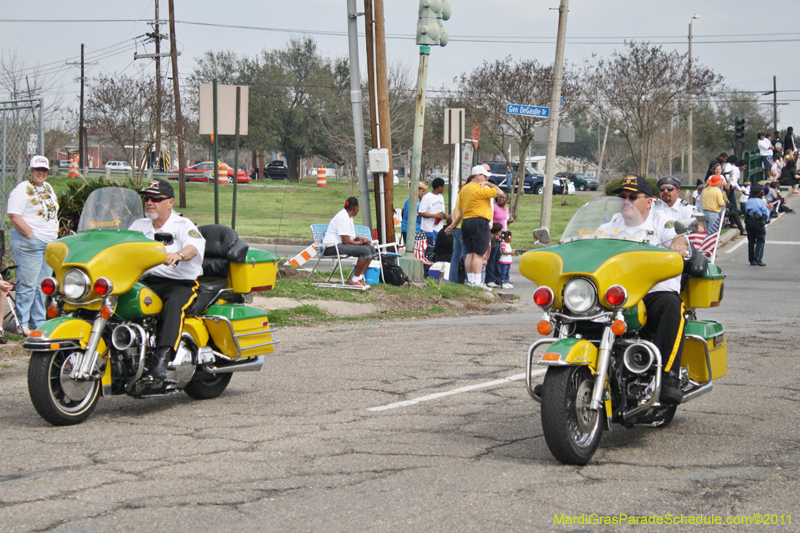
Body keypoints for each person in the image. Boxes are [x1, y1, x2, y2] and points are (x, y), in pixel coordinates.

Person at [599, 175, 689, 404]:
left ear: (649, 201)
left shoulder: (662, 222)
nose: (626, 201)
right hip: (616, 293)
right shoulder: (610, 225)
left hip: (653, 292)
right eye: (622, 197)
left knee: (672, 306)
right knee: (568, 305)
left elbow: (678, 238)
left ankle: (669, 377)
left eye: (632, 197)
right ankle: (566, 372)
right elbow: (589, 243)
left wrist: (678, 245)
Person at [128, 179, 206, 382]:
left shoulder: (183, 224)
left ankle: (162, 358)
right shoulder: (138, 226)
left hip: (179, 283)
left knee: (173, 305)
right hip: (145, 281)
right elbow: (121, 247)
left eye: (156, 198)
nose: (149, 203)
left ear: (170, 202)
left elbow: (193, 247)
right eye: (146, 198)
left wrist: (179, 254)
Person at [7, 155, 59, 334]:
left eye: (44, 170)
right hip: (29, 243)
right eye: (37, 170)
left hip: (48, 244)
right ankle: (22, 323)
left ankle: (38, 322)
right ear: (31, 170)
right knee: (28, 284)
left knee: (41, 285)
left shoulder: (47, 188)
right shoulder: (23, 189)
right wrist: (30, 234)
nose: (41, 173)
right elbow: (13, 214)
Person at [448, 164, 500, 290]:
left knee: (469, 252)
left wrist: (454, 223)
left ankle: (470, 281)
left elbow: (460, 211)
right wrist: (490, 185)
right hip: (479, 222)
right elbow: (500, 193)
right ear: (478, 176)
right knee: (479, 254)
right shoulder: (480, 189)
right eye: (485, 176)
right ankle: (477, 282)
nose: (487, 179)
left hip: (466, 222)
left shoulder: (464, 190)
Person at [321, 197, 376, 288]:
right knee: (365, 250)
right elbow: (346, 241)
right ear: (355, 208)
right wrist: (361, 244)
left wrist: (360, 239)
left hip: (340, 245)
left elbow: (351, 238)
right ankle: (354, 280)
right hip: (331, 247)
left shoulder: (348, 217)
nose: (358, 210)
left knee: (371, 249)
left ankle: (359, 277)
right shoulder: (342, 217)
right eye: (358, 208)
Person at [743, 183, 770, 267]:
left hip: (749, 221)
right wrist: (767, 220)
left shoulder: (749, 201)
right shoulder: (761, 201)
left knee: (751, 240)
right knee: (760, 240)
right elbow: (766, 212)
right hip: (758, 221)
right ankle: (757, 259)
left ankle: (751, 259)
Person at [417, 177, 447, 245]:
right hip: (428, 229)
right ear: (439, 187)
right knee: (430, 249)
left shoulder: (441, 197)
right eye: (443, 187)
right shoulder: (427, 197)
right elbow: (421, 213)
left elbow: (440, 210)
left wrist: (444, 215)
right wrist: (435, 216)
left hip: (439, 229)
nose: (444, 189)